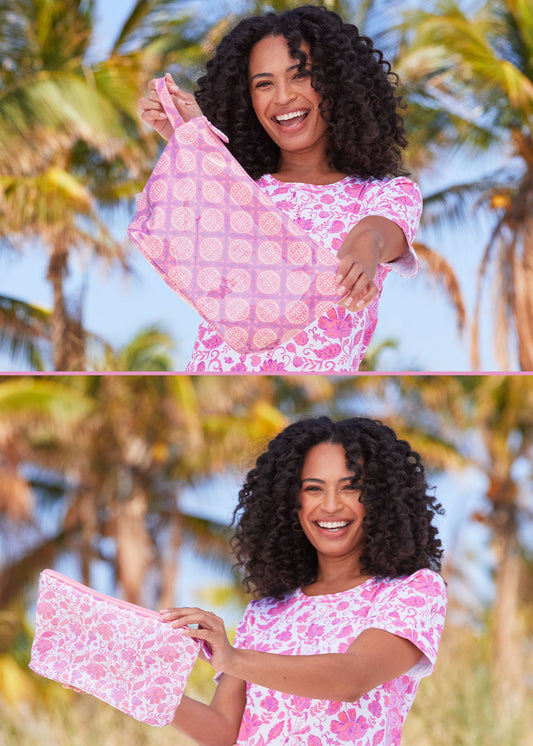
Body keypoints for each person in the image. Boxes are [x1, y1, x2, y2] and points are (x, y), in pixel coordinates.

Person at [138, 6, 422, 373]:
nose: (283, 97)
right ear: (247, 100)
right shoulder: (239, 190)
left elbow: (378, 233)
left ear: (337, 83)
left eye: (301, 76)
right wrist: (194, 139)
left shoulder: (383, 195)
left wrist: (365, 250)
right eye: (264, 84)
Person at [160, 416, 447, 745]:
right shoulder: (264, 612)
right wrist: (144, 687)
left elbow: (352, 678)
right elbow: (225, 733)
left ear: (381, 499)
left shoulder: (411, 591)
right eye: (313, 488)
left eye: (351, 487)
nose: (330, 505)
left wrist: (233, 657)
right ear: (291, 503)